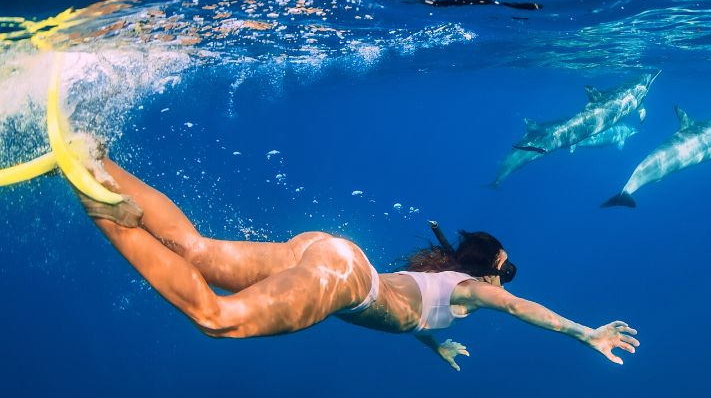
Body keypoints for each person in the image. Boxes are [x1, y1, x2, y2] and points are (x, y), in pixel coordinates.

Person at [74, 151, 638, 371]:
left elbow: (415, 312)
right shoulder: (473, 291)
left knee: (196, 250)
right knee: (216, 318)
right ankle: (98, 205)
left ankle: (98, 162)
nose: (506, 280)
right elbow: (518, 308)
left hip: (325, 251)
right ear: (486, 271)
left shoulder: (441, 280)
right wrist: (584, 333)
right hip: (343, 280)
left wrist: (435, 344)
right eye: (505, 271)